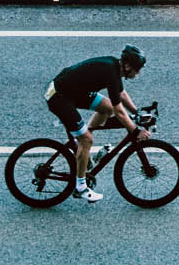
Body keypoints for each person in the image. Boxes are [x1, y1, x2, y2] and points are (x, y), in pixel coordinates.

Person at [46, 45, 151, 203]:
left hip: (73, 91)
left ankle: (81, 150)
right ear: (128, 66)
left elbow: (121, 94)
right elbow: (120, 112)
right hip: (60, 97)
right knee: (87, 140)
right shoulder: (111, 71)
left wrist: (136, 112)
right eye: (138, 69)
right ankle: (80, 187)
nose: (139, 73)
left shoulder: (115, 67)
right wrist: (136, 131)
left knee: (106, 109)